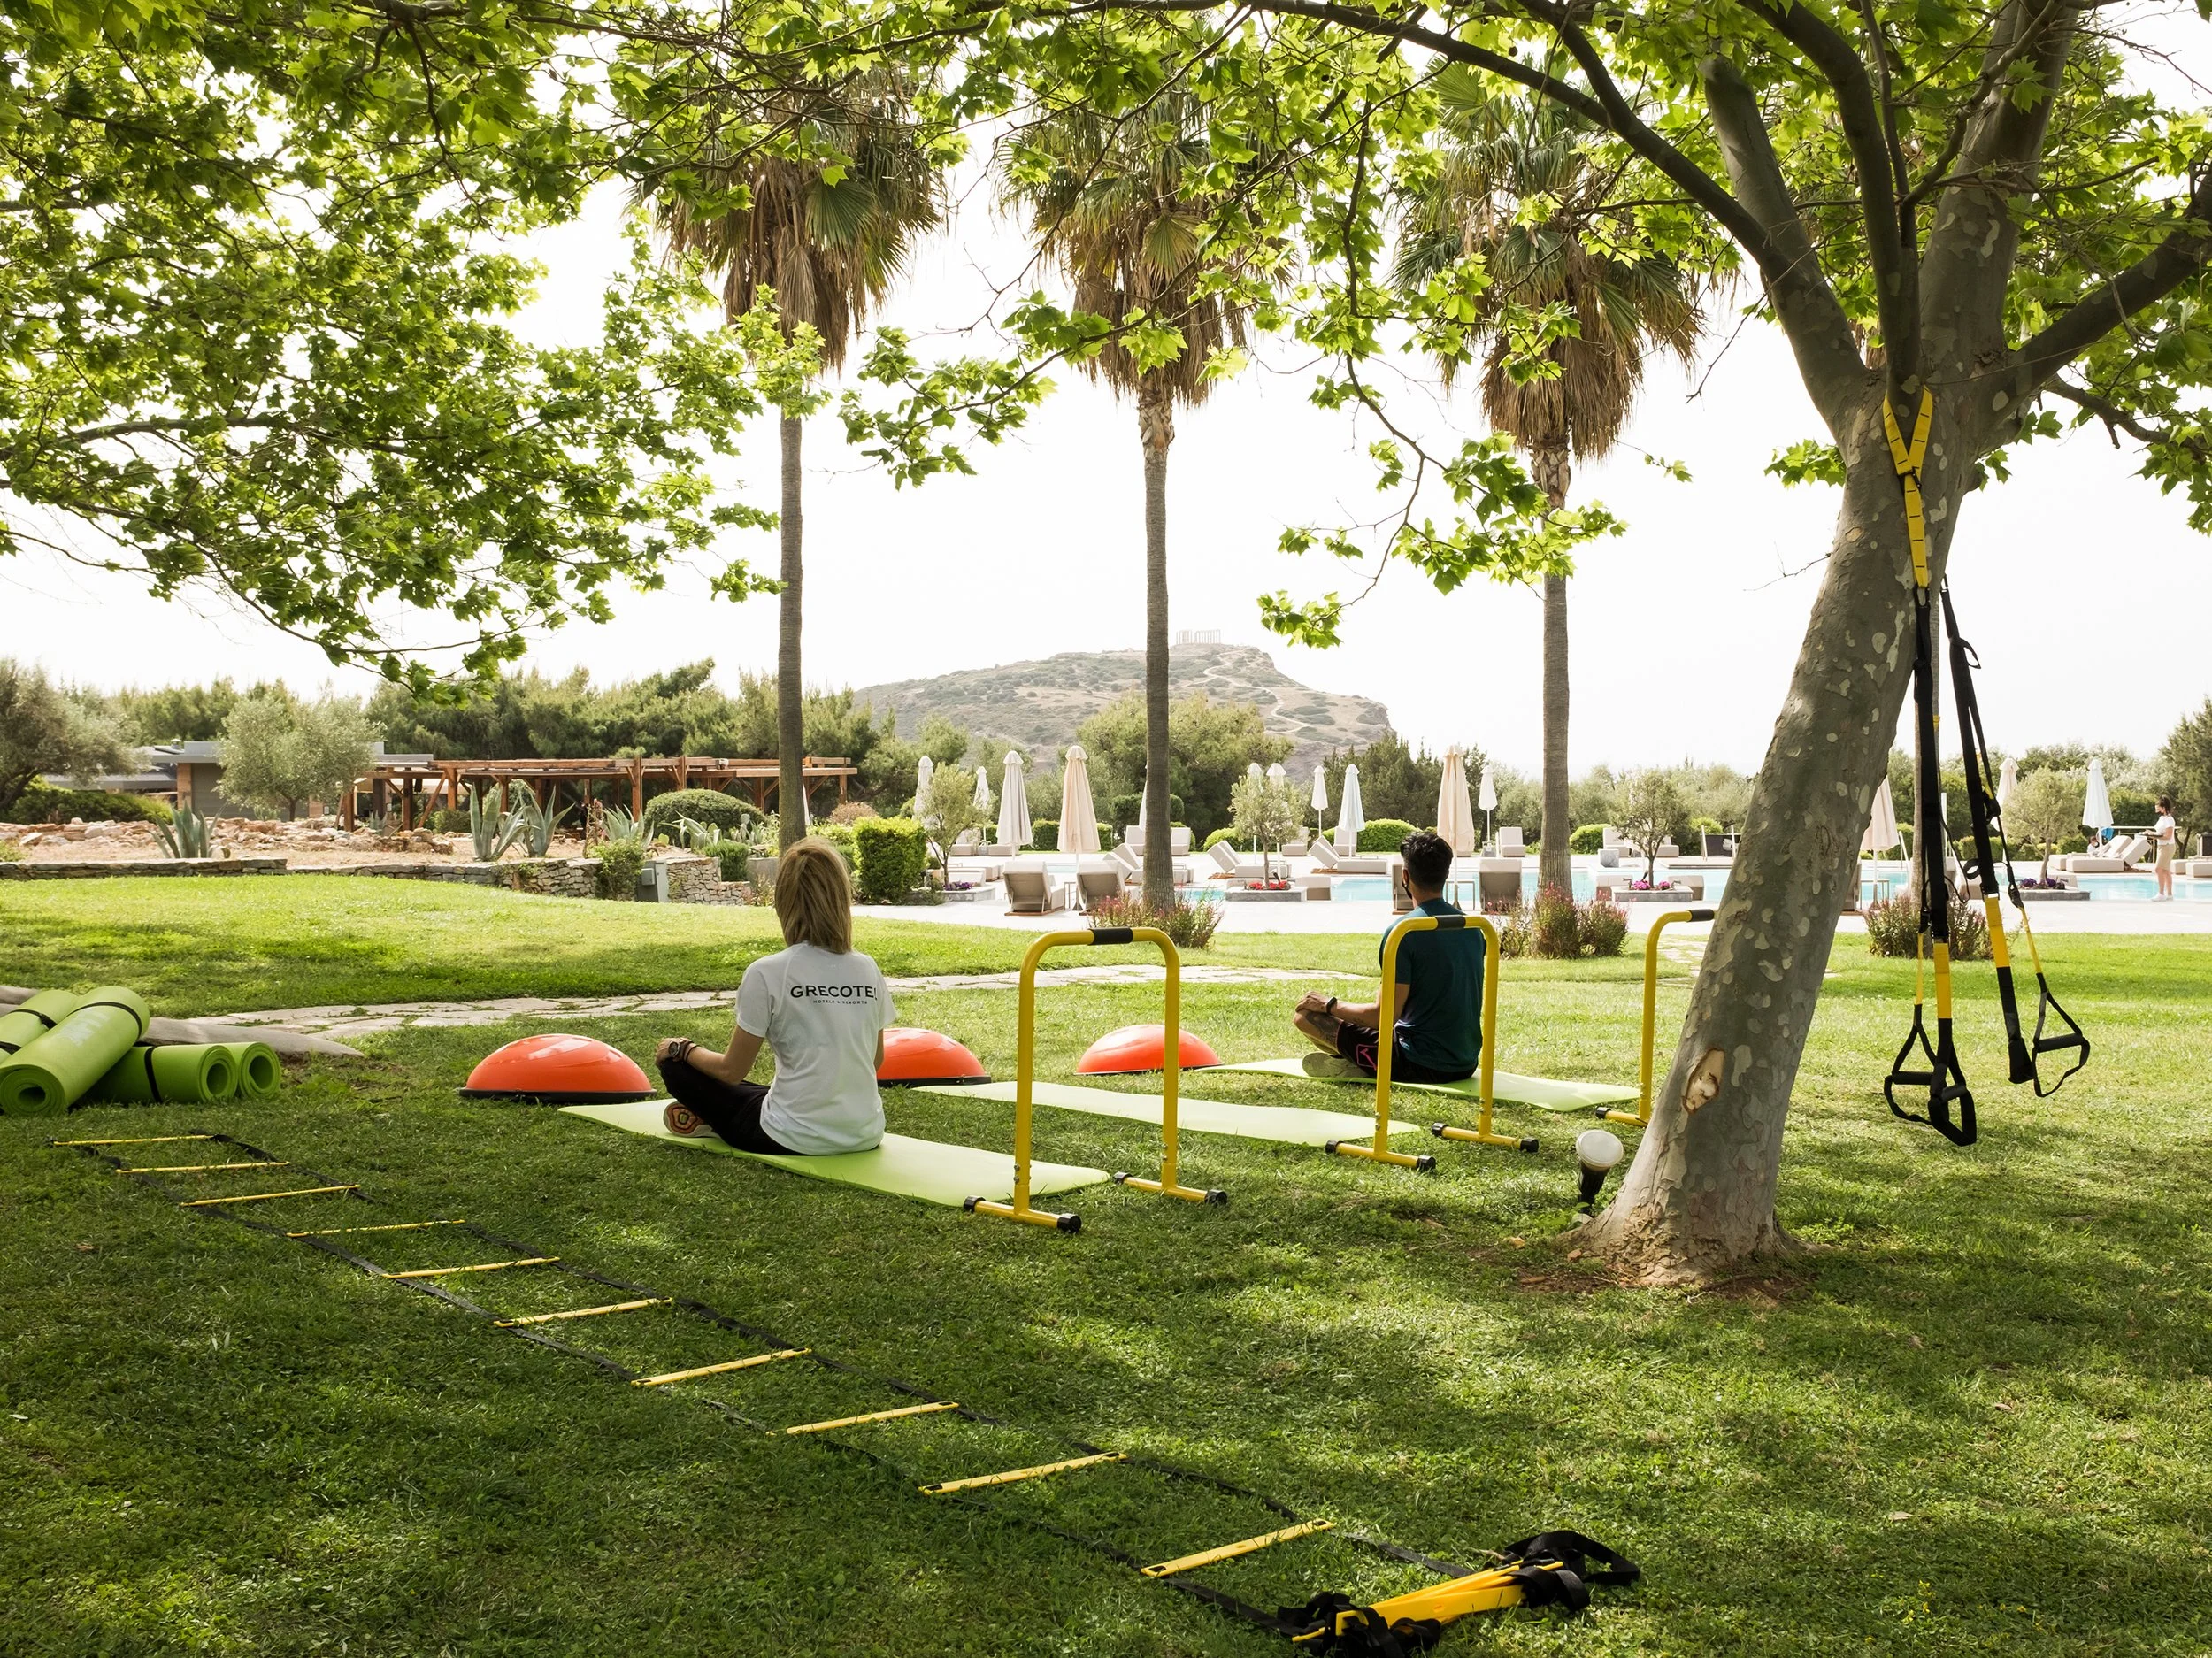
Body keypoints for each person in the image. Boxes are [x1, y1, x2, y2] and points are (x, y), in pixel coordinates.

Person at [654, 837, 893, 1153]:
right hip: (865, 1133)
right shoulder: (867, 968)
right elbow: (874, 1061)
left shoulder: (767, 972)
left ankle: (713, 1118)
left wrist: (682, 1048)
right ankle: (712, 1118)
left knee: (677, 1067)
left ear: (784, 901)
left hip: (789, 1137)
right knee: (756, 1093)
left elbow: (731, 1070)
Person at [1293, 829, 1484, 1082]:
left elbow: (1382, 1017)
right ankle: (1361, 1064)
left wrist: (1330, 1004)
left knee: (1305, 1017)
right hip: (1465, 1062)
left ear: (1405, 876)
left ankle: (1361, 1066)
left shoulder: (1405, 932)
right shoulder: (1473, 928)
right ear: (1445, 875)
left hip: (1418, 1062)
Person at [2154, 794, 2177, 900]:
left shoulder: (2169, 820)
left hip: (2167, 847)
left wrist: (2152, 835)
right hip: (2161, 846)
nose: (2157, 808)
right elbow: (2160, 832)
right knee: (2165, 871)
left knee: (2158, 869)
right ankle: (2169, 895)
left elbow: (2168, 836)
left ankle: (2161, 894)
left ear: (2164, 808)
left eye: (2159, 806)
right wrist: (2151, 834)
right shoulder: (2162, 818)